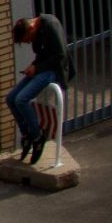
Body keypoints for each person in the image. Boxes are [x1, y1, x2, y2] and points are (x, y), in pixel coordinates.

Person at [8, 14, 69, 164]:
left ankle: (37, 137)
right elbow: (42, 54)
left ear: (31, 28)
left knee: (21, 99)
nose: (28, 42)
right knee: (11, 98)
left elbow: (60, 55)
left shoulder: (50, 25)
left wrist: (38, 68)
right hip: (42, 68)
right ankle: (27, 135)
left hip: (54, 70)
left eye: (28, 39)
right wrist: (32, 66)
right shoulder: (36, 31)